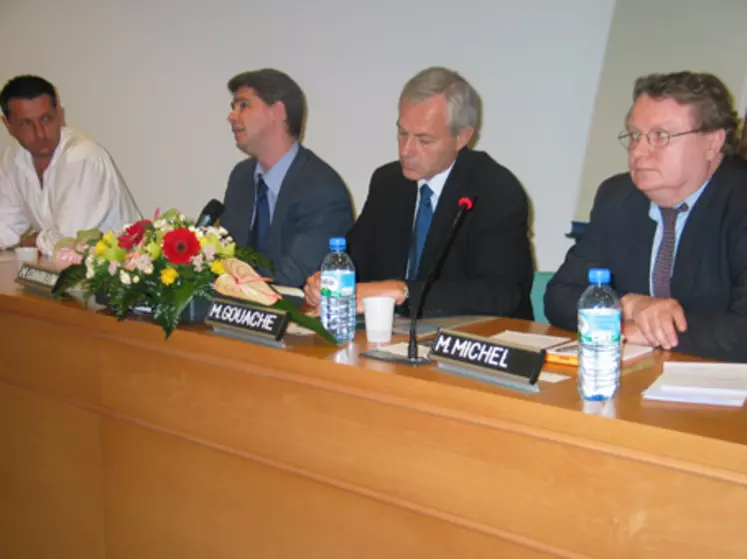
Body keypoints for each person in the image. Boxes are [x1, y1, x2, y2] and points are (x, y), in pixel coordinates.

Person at [545, 71, 747, 362]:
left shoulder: (739, 202)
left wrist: (648, 334)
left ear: (713, 142)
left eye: (660, 136)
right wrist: (628, 306)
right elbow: (560, 296)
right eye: (635, 135)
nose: (639, 151)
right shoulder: (618, 197)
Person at [304, 67, 534, 318]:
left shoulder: (495, 190)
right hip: (395, 337)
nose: (406, 151)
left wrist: (403, 291)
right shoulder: (389, 182)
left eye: (424, 140)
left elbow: (499, 294)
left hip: (475, 341)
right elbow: (355, 258)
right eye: (402, 133)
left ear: (462, 137)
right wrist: (327, 281)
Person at [220, 69, 354, 288]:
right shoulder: (241, 177)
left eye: (243, 106)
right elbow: (225, 253)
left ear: (278, 111)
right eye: (233, 107)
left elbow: (297, 275)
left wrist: (226, 276)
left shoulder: (321, 189)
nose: (232, 117)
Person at [0, 75, 140, 255]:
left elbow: (68, 242)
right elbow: (5, 227)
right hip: (64, 274)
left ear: (59, 113)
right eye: (27, 124)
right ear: (8, 126)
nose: (40, 133)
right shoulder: (13, 159)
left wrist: (37, 240)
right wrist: (39, 240)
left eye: (46, 119)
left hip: (122, 275)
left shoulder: (83, 157)